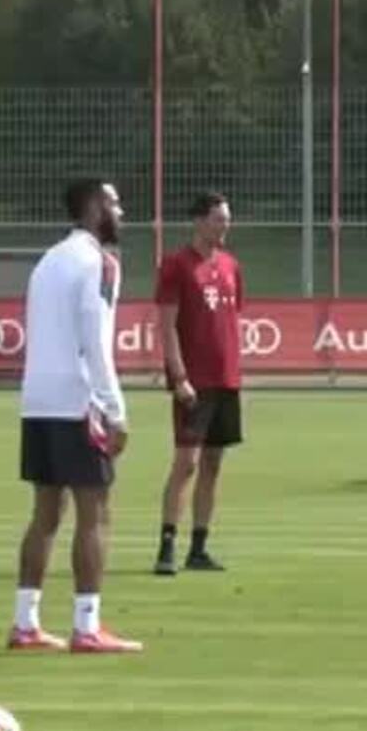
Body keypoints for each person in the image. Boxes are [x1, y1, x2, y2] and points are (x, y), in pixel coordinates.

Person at [11, 179, 141, 653]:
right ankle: (87, 625)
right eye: (114, 202)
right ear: (92, 207)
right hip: (76, 401)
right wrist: (115, 409)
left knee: (45, 513)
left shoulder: (48, 260)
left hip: (38, 400)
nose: (121, 212)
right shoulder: (99, 263)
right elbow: (95, 338)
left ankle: (25, 621)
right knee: (96, 512)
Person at [155, 191, 242, 576]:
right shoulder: (176, 266)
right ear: (199, 221)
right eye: (219, 219)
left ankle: (199, 547)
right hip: (194, 381)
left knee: (213, 463)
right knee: (186, 462)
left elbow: (231, 319)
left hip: (226, 379)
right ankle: (167, 545)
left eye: (227, 219)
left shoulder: (230, 265)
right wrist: (179, 376)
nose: (225, 225)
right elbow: (167, 326)